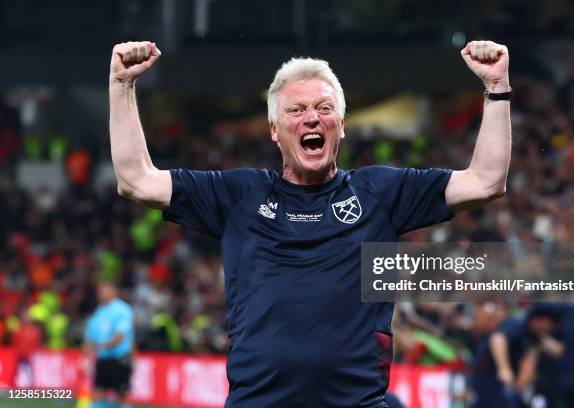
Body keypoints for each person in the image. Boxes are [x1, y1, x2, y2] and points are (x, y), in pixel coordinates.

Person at [109, 40, 511, 407]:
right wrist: (121, 85)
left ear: (342, 124)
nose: (311, 119)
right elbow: (136, 180)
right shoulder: (240, 195)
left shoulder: (380, 193)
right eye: (296, 110)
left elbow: (486, 180)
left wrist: (497, 88)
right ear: (274, 130)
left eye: (324, 108)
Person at [469, 307, 562, 408]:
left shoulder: (534, 336)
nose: (550, 327)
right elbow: (498, 339)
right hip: (488, 377)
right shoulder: (517, 325)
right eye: (549, 323)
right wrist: (504, 369)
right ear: (539, 320)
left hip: (506, 383)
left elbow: (530, 360)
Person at [83, 281, 135, 408]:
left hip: (119, 358)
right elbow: (89, 337)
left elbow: (119, 338)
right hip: (102, 359)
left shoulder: (122, 310)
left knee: (121, 396)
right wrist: (85, 355)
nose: (101, 294)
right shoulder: (98, 312)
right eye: (99, 291)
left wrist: (97, 346)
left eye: (104, 290)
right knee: (97, 394)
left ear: (114, 291)